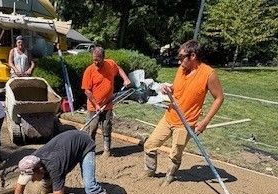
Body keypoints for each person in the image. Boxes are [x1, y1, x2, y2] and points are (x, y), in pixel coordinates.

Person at [143, 39, 224, 183]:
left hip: (185, 123)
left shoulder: (208, 74)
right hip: (169, 116)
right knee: (150, 145)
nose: (179, 62)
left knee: (175, 154)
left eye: (181, 58)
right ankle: (149, 172)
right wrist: (168, 88)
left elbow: (219, 98)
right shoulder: (182, 69)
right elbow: (178, 88)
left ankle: (170, 176)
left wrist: (204, 123)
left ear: (193, 56)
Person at [81, 45, 131, 156]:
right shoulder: (89, 71)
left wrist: (125, 78)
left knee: (106, 126)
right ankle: (90, 150)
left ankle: (107, 150)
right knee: (92, 128)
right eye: (94, 60)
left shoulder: (110, 64)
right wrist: (97, 105)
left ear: (103, 58)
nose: (96, 63)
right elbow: (87, 91)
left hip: (108, 104)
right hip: (93, 106)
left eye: (98, 60)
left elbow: (118, 69)